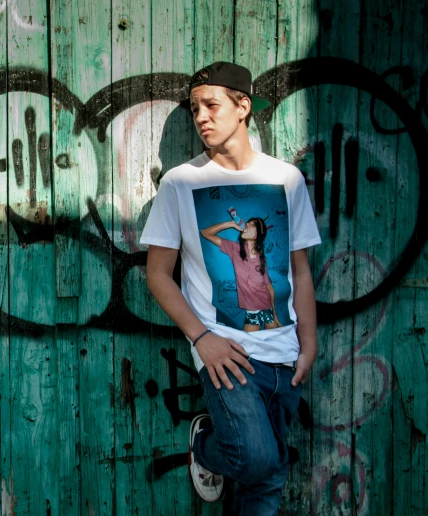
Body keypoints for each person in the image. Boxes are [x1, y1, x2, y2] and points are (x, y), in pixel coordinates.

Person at [140, 61, 320, 515]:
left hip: (284, 354)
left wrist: (310, 342)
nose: (201, 117)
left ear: (243, 107)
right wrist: (202, 340)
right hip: (227, 356)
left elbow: (299, 269)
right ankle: (205, 447)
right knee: (257, 458)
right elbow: (158, 274)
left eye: (212, 105)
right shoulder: (181, 183)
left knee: (269, 478)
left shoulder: (286, 179)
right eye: (195, 108)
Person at [200, 216, 282, 331]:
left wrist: (275, 314)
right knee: (248, 346)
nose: (246, 225)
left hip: (267, 308)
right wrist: (230, 224)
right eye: (247, 223)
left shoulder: (262, 259)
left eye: (252, 225)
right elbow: (205, 233)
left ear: (258, 233)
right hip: (251, 312)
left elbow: (270, 288)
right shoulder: (235, 249)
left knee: (274, 343)